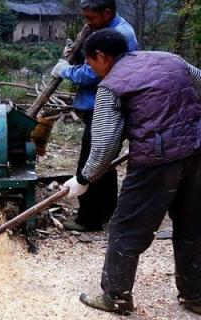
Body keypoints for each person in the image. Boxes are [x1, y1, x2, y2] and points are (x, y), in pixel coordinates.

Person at [63, 29, 201, 315]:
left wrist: (84, 179)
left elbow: (105, 145)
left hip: (155, 161)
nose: (93, 70)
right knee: (192, 223)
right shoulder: (172, 60)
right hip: (196, 152)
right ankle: (195, 295)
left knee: (125, 227)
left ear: (101, 56)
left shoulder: (112, 85)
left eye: (91, 64)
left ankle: (115, 296)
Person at [51, 0, 138, 232]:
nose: (87, 23)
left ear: (107, 12)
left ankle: (88, 219)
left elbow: (93, 74)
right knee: (105, 165)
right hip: (97, 106)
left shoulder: (120, 34)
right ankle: (108, 213)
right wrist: (76, 53)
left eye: (91, 18)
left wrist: (66, 70)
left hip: (107, 109)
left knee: (91, 161)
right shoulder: (104, 31)